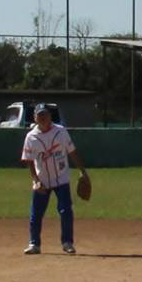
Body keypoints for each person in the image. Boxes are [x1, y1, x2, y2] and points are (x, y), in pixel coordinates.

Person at [21, 104, 89, 255]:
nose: (43, 117)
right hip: (42, 180)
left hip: (61, 178)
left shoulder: (61, 132)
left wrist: (83, 171)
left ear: (50, 116)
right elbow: (29, 160)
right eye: (39, 115)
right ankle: (34, 244)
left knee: (66, 211)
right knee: (36, 213)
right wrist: (36, 180)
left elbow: (72, 152)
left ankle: (67, 243)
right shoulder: (31, 137)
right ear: (35, 118)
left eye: (45, 114)